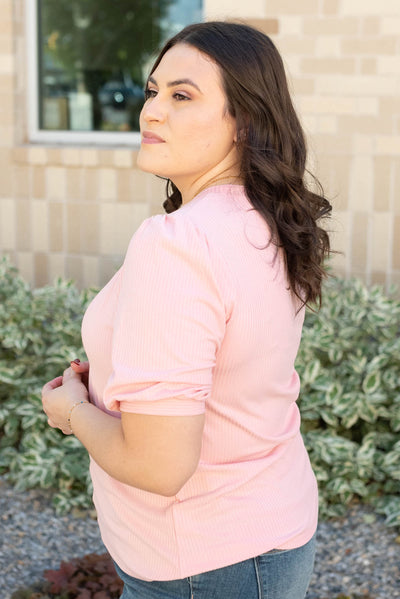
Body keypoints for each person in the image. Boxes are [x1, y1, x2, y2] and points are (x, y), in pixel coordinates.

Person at [42, 21, 332, 599]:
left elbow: (159, 466)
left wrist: (71, 410)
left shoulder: (179, 243)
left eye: (181, 96)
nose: (149, 112)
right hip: (269, 535)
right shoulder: (266, 220)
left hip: (203, 562)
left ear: (244, 122)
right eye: (153, 92)